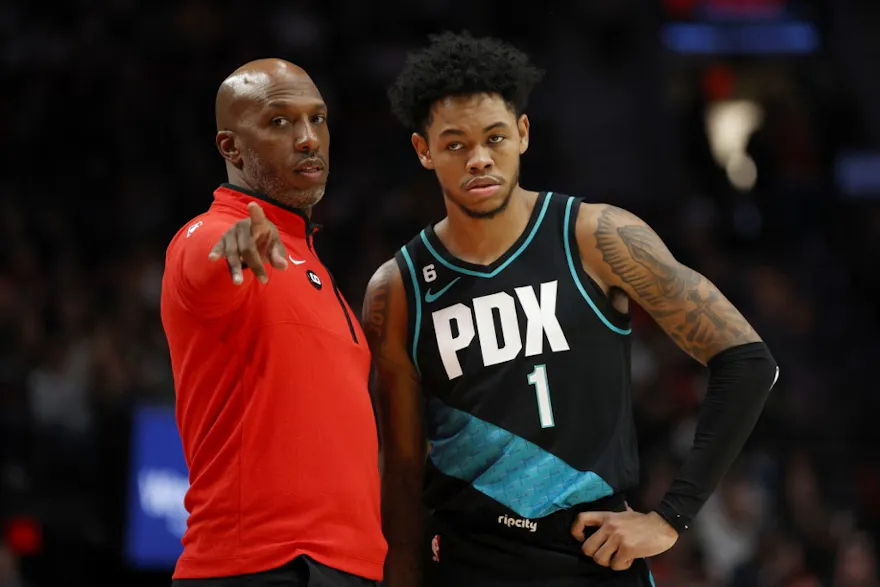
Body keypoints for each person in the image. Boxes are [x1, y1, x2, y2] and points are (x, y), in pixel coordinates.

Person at [362, 32, 779, 587]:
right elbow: (402, 471)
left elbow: (749, 361)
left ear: (524, 135)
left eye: (495, 137)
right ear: (424, 150)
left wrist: (671, 516)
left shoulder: (595, 236)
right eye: (455, 143)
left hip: (594, 561)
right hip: (469, 563)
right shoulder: (398, 289)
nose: (479, 158)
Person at [160, 58, 387, 587]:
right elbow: (207, 264)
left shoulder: (312, 264)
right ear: (230, 148)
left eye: (318, 119)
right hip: (261, 566)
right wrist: (229, 250)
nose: (308, 139)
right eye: (280, 122)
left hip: (350, 569)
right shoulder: (207, 235)